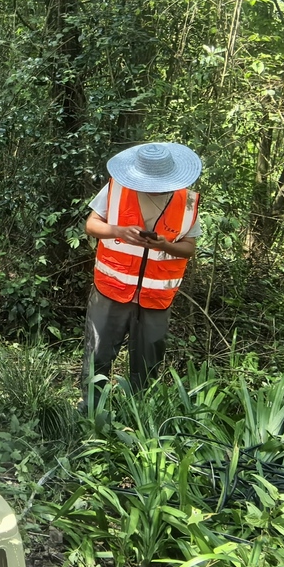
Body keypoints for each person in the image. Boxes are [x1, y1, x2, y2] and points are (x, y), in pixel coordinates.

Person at [83, 141, 202, 400]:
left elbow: (189, 247)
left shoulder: (188, 201)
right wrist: (118, 231)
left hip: (156, 297)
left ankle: (137, 415)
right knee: (98, 354)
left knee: (147, 361)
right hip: (111, 289)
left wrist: (165, 245)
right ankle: (90, 412)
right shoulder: (117, 188)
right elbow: (91, 225)